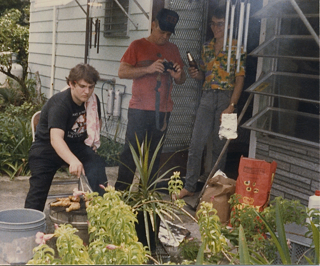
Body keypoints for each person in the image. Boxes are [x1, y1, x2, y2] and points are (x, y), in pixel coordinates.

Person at [115, 8, 186, 191]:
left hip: (162, 112)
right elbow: (122, 72)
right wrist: (149, 69)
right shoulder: (137, 45)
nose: (165, 37)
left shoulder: (173, 49)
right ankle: (121, 196)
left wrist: (177, 75)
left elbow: (182, 80)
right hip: (139, 109)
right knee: (130, 155)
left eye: (169, 33)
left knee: (154, 157)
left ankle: (146, 198)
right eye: (161, 31)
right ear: (153, 25)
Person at [179, 6, 246, 199]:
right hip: (207, 96)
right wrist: (196, 73)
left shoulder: (237, 48)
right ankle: (190, 185)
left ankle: (215, 188)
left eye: (220, 24)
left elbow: (240, 79)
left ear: (229, 25)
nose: (216, 28)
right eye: (213, 24)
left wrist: (231, 106)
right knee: (196, 143)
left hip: (227, 98)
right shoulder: (207, 47)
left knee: (220, 146)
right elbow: (204, 75)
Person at [25, 63, 108, 211]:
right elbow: (55, 139)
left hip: (76, 145)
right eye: (82, 86)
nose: (87, 92)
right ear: (71, 84)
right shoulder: (61, 103)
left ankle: (103, 213)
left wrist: (92, 140)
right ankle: (30, 225)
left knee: (97, 166)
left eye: (91, 87)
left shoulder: (93, 101)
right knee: (38, 189)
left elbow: (97, 122)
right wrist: (73, 160)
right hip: (46, 148)